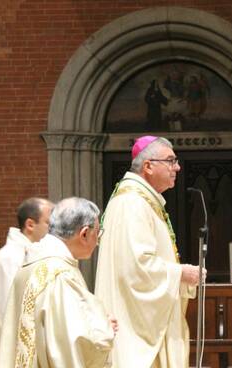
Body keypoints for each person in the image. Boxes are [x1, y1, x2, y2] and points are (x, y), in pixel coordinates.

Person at [94, 136, 202, 367]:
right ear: (148, 166)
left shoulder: (142, 201)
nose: (178, 167)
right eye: (171, 161)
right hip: (136, 330)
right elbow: (135, 268)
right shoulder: (132, 203)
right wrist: (181, 273)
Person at [0, 197, 117, 368]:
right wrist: (105, 328)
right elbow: (67, 346)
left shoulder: (32, 263)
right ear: (84, 233)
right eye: (97, 233)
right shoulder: (60, 275)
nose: (97, 242)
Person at [0, 197, 53, 331]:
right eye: (49, 223)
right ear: (30, 225)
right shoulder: (10, 257)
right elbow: (9, 306)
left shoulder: (37, 252)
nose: (53, 229)